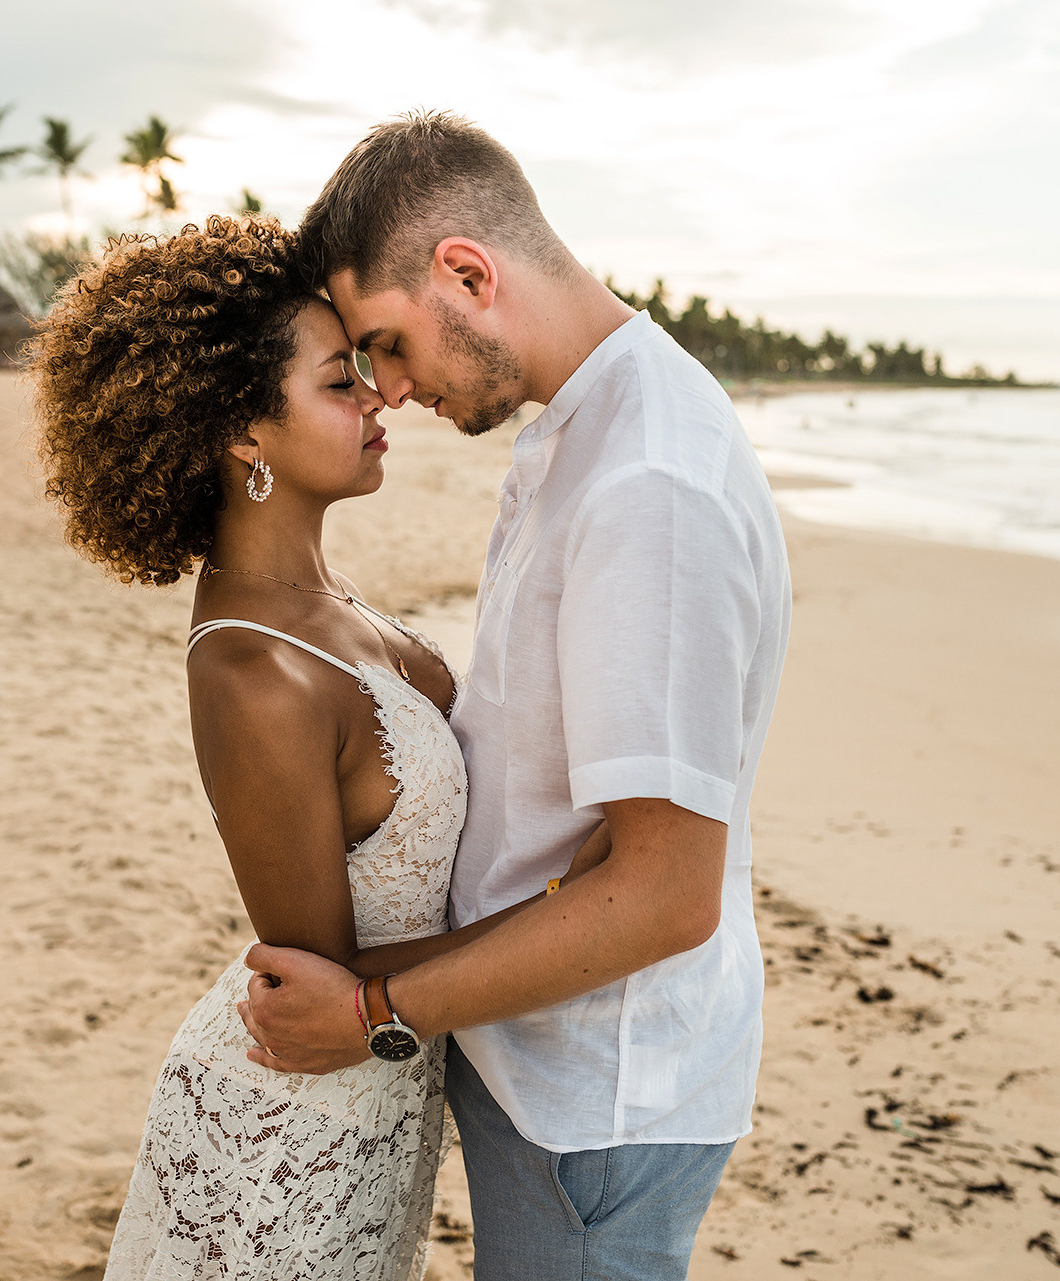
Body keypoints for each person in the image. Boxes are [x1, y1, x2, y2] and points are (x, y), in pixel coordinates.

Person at [238, 111, 793, 1279]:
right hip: (539, 1057)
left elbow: (663, 896)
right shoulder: (587, 429)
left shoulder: (647, 482)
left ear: (468, 274)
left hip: (596, 1096)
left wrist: (369, 1015)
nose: (389, 387)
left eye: (388, 344)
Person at [29, 215, 611, 1279]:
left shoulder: (322, 600)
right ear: (243, 433)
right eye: (341, 385)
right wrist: (565, 922)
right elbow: (317, 972)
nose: (380, 399)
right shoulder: (250, 670)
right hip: (291, 1128)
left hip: (381, 1097)